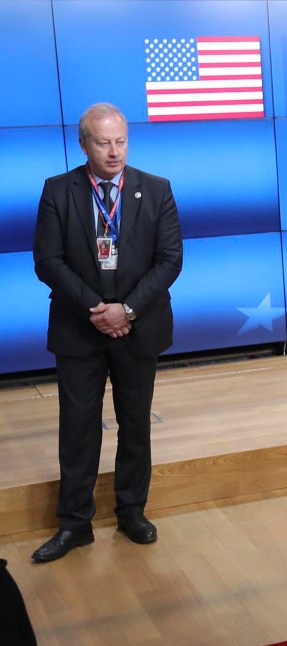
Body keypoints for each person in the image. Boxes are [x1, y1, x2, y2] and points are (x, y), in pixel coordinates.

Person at [32, 103, 183, 562]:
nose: (114, 151)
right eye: (103, 142)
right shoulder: (58, 191)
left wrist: (128, 310)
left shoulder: (156, 190)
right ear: (84, 144)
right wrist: (97, 308)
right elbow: (47, 261)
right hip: (80, 329)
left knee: (135, 424)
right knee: (77, 429)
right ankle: (75, 523)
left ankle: (132, 511)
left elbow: (170, 260)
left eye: (121, 141)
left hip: (139, 329)